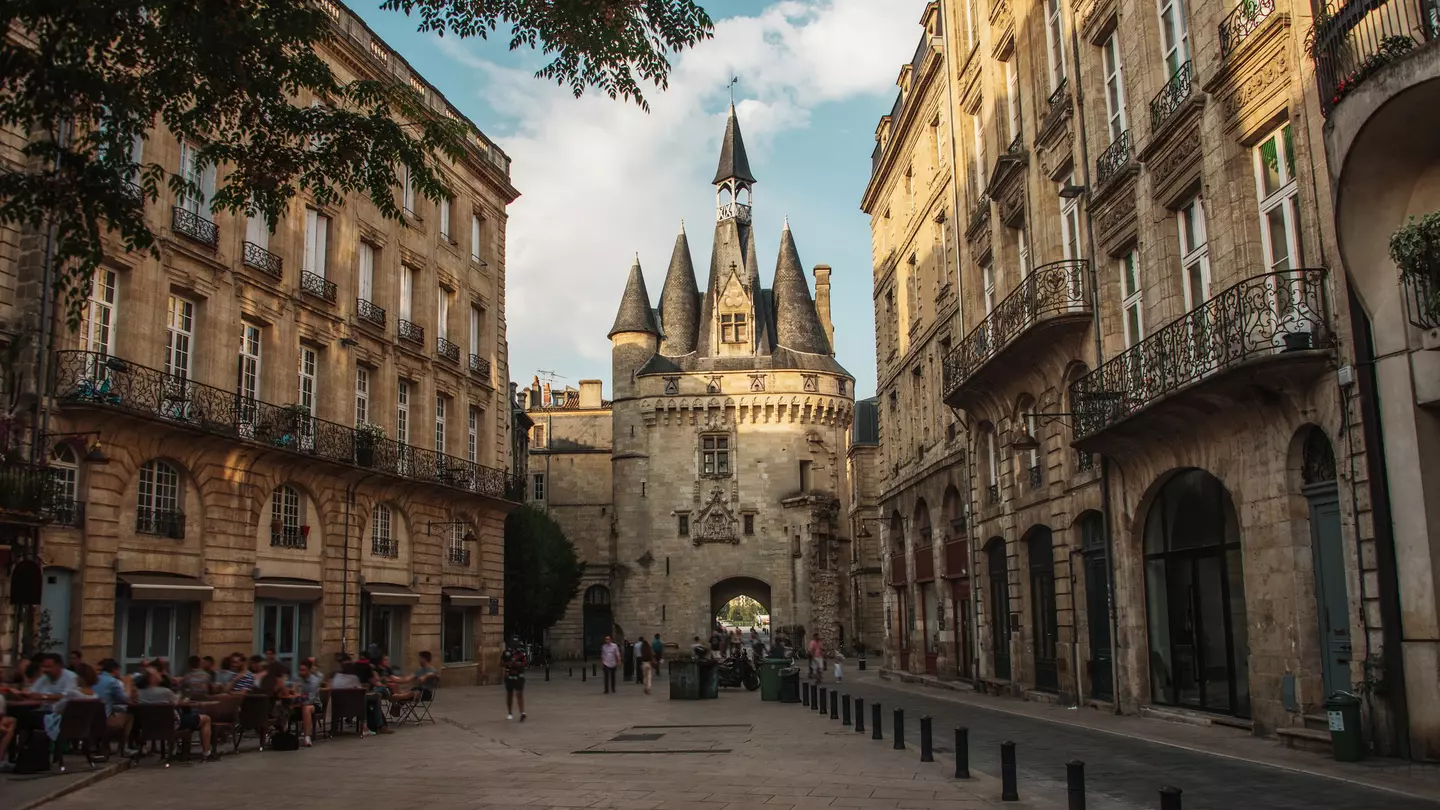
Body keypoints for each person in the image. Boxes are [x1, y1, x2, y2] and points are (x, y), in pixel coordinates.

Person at [135, 670, 220, 762]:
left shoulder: (139, 693)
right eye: (156, 674)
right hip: (172, 724)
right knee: (206, 719)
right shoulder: (165, 692)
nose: (159, 674)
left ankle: (179, 749)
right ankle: (206, 753)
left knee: (186, 717)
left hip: (149, 726)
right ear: (151, 679)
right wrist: (184, 696)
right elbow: (179, 702)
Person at [94, 658, 132, 752]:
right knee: (129, 716)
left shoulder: (94, 679)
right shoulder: (113, 682)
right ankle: (123, 747)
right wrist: (128, 685)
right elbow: (125, 699)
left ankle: (104, 745)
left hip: (91, 717)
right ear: (114, 669)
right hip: (104, 719)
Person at [295, 660, 323, 747]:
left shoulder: (313, 681)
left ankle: (307, 737)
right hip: (301, 702)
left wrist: (298, 699)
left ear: (309, 670)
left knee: (306, 708)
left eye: (303, 670)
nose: (301, 672)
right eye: (300, 670)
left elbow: (310, 700)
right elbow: (294, 691)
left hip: (315, 704)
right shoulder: (299, 678)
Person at [501, 637, 527, 721]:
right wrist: (509, 663)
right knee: (510, 694)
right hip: (509, 675)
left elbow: (525, 663)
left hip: (519, 675)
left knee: (519, 694)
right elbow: (501, 663)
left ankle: (522, 712)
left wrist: (517, 664)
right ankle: (510, 712)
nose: (516, 646)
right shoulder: (506, 653)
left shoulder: (521, 653)